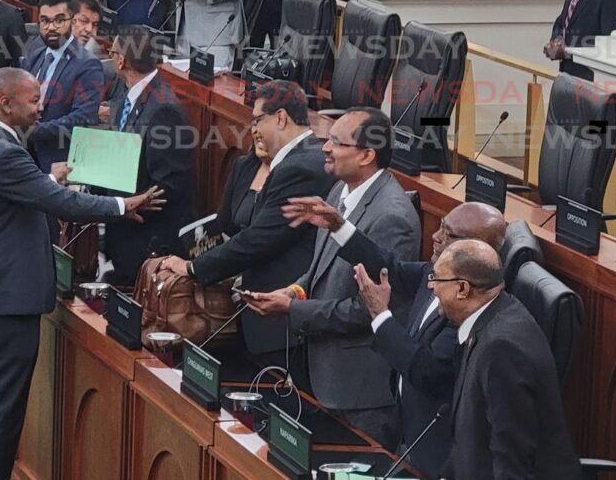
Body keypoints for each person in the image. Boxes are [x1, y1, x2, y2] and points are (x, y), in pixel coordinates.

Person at [0, 67, 164, 480]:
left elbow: (13, 194)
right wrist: (124, 205)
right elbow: (64, 204)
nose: (41, 105)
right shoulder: (6, 152)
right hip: (5, 300)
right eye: (32, 99)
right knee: (3, 410)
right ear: (5, 103)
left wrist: (47, 177)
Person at [282, 198, 506, 479]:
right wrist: (338, 226)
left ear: (475, 250)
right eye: (440, 227)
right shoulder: (437, 271)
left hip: (435, 452)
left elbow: (427, 371)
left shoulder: (467, 309)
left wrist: (380, 314)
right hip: (408, 434)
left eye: (448, 234)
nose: (435, 237)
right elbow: (391, 268)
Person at [244, 107, 420, 450]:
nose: (324, 147)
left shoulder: (392, 217)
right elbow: (321, 267)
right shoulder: (339, 191)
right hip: (324, 377)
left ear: (367, 155)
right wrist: (296, 289)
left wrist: (292, 310)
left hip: (360, 393)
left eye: (336, 142)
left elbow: (366, 310)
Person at [159, 80, 333, 365]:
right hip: (259, 318)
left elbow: (259, 240)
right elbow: (228, 228)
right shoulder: (292, 161)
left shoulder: (300, 167)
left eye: (257, 120)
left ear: (280, 117)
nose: (252, 129)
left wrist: (191, 268)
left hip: (281, 326)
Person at [429, 240, 581, 480]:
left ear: (462, 289)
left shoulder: (501, 350)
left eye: (436, 278)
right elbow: (469, 442)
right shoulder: (492, 317)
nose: (431, 286)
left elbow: (512, 459)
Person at [103, 26, 194, 283]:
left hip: (147, 239)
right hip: (123, 228)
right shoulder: (125, 94)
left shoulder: (165, 110)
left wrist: (127, 205)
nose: (111, 57)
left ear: (121, 60)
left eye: (112, 52)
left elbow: (169, 184)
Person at [20, 0, 103, 173]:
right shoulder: (36, 51)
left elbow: (83, 119)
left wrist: (34, 131)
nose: (51, 27)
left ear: (72, 22)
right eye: (45, 21)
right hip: (23, 155)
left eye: (59, 20)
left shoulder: (87, 63)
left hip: (58, 162)